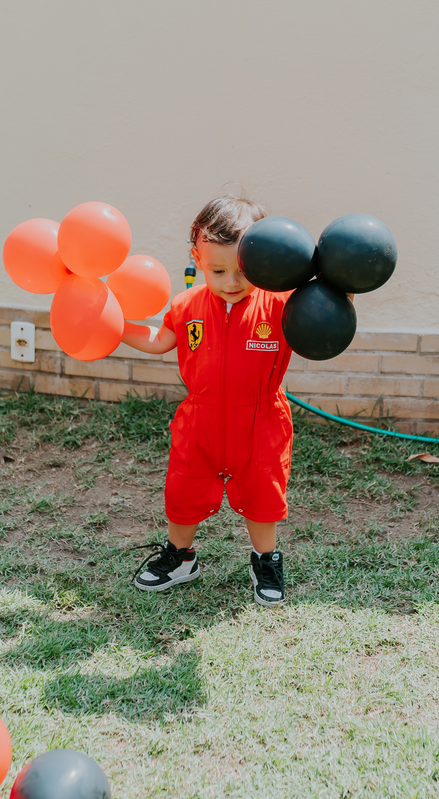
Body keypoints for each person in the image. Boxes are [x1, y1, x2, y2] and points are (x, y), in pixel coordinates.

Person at [121, 196, 293, 606]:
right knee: (183, 491)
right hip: (199, 419)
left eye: (243, 271)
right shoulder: (185, 306)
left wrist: (346, 294)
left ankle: (265, 559)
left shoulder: (281, 304)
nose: (231, 282)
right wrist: (112, 325)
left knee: (262, 496)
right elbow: (161, 340)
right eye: (218, 270)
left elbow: (326, 323)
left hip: (261, 419)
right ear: (197, 257)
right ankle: (180, 557)